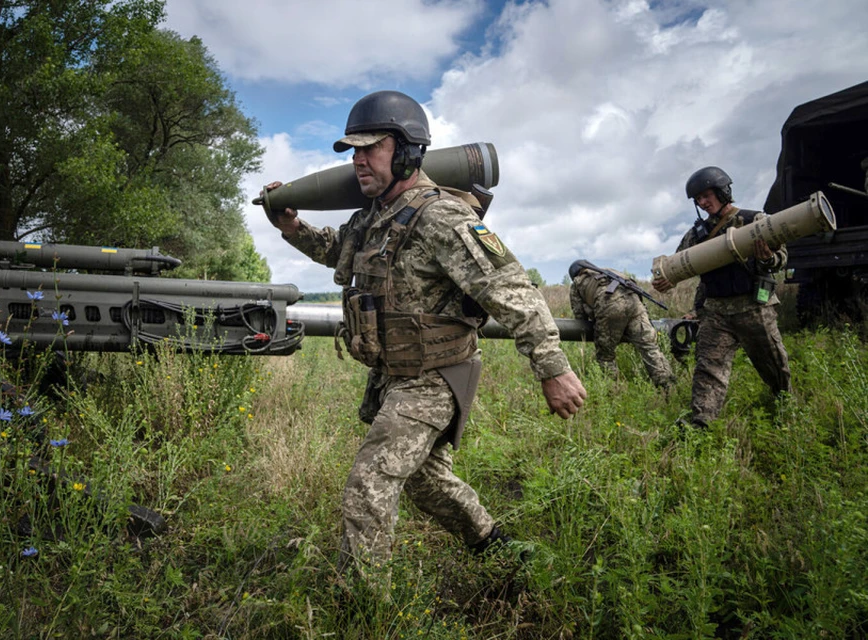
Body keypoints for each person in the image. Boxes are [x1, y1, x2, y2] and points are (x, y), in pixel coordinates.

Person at [261, 90, 586, 578]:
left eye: (371, 147)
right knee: (426, 482)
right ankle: (498, 549)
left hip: (436, 377)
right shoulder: (372, 217)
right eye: (354, 150)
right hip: (395, 375)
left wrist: (553, 369)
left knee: (369, 482)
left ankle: (364, 611)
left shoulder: (442, 216)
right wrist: (291, 226)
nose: (359, 160)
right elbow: (337, 251)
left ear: (409, 151)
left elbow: (513, 291)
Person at [653, 166, 791, 428]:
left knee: (774, 364)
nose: (703, 203)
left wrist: (768, 258)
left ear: (723, 192)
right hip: (716, 311)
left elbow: (782, 257)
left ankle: (785, 409)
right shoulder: (696, 235)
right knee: (708, 368)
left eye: (706, 196)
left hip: (754, 307)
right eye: (698, 200)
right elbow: (678, 264)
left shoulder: (754, 220)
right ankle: (700, 424)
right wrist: (665, 279)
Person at [568, 260, 675, 389]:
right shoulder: (609, 271)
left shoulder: (578, 282)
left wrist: (595, 324)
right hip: (635, 304)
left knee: (605, 357)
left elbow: (579, 315)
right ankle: (668, 386)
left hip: (610, 307)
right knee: (650, 348)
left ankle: (614, 391)